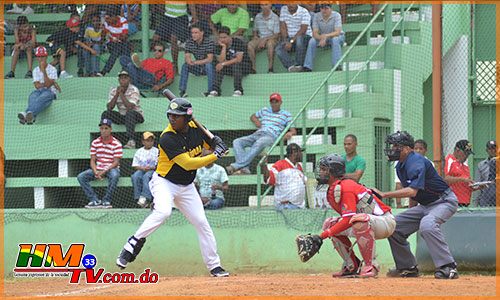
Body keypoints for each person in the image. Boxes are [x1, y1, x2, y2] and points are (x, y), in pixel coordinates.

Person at [116, 98, 231, 278]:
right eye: (170, 115)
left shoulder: (197, 130)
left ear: (187, 118)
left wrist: (218, 143)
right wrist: (216, 154)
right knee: (163, 212)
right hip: (164, 182)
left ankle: (214, 266)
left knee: (201, 222)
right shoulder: (167, 137)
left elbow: (213, 143)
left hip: (186, 187)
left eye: (176, 116)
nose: (172, 119)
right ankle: (133, 242)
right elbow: (188, 164)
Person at [371, 131, 459, 279]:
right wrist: (411, 215)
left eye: (396, 146)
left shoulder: (416, 161)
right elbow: (413, 193)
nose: (392, 149)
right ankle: (407, 267)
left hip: (444, 201)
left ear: (406, 149)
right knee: (393, 225)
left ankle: (448, 267)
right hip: (425, 205)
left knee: (428, 225)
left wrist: (384, 194)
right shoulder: (400, 165)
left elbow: (412, 190)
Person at [300, 154, 395, 277]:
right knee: (330, 224)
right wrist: (326, 232)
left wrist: (321, 236)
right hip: (367, 222)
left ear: (333, 171)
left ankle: (371, 266)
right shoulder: (333, 189)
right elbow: (346, 220)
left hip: (385, 222)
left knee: (359, 220)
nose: (321, 172)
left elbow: (348, 219)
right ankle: (352, 266)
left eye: (324, 169)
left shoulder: (347, 186)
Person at [226, 93, 296, 175]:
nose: (274, 104)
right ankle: (245, 169)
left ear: (281, 102)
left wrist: (289, 133)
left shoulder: (286, 114)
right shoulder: (265, 110)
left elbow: (293, 131)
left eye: (276, 101)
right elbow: (253, 116)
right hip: (258, 134)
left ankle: (236, 166)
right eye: (272, 102)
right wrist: (256, 121)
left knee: (259, 143)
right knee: (237, 142)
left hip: (271, 136)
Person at [77, 118, 122, 209]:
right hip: (98, 169)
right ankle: (94, 200)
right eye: (101, 128)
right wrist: (96, 171)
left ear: (110, 129)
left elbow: (116, 162)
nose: (103, 131)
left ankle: (106, 200)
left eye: (106, 128)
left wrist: (104, 171)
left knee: (115, 175)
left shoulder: (116, 143)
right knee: (81, 176)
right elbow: (93, 160)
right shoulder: (95, 142)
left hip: (110, 169)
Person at [18, 46, 61, 125]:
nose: (41, 59)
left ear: (47, 57)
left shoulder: (52, 69)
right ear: (37, 58)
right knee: (32, 96)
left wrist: (43, 69)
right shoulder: (35, 70)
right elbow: (37, 86)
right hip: (39, 91)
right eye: (39, 56)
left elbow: (48, 85)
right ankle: (31, 118)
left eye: (43, 56)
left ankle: (26, 114)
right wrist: (53, 83)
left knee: (43, 97)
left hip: (51, 92)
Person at [101, 70, 144, 149]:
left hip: (136, 116)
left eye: (125, 78)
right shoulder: (114, 91)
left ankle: (131, 141)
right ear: (118, 80)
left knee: (130, 112)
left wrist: (121, 94)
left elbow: (130, 107)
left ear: (129, 80)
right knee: (105, 114)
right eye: (121, 78)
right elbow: (109, 107)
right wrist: (117, 94)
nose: (123, 80)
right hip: (123, 116)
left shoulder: (134, 90)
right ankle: (105, 139)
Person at [152, 3, 197, 75]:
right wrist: (164, 12)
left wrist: (194, 17)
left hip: (181, 17)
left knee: (174, 39)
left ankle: (175, 66)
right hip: (168, 17)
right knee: (155, 38)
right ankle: (156, 63)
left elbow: (191, 4)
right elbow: (161, 5)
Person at [208, 26, 252, 97]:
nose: (222, 40)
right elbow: (220, 61)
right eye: (221, 37)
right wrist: (224, 47)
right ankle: (215, 90)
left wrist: (223, 64)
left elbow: (238, 59)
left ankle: (238, 90)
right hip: (231, 68)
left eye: (224, 37)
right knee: (218, 67)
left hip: (245, 66)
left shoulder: (237, 42)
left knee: (235, 64)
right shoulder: (220, 45)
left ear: (229, 36)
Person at [261, 143, 306, 211]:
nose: (301, 154)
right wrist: (264, 164)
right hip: (286, 206)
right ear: (294, 152)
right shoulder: (280, 164)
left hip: (299, 206)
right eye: (300, 152)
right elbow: (269, 178)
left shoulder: (299, 166)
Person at [303, 4, 344, 72]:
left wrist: (325, 36)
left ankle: (337, 65)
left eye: (326, 8)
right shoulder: (317, 16)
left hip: (337, 37)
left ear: (331, 8)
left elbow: (337, 32)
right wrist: (321, 38)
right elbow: (315, 33)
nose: (324, 10)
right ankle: (308, 66)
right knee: (312, 41)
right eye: (322, 8)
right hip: (324, 38)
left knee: (335, 39)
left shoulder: (336, 15)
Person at [179, 24, 214, 98]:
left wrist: (195, 62)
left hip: (211, 67)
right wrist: (189, 60)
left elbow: (210, 59)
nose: (193, 35)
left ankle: (211, 91)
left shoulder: (209, 41)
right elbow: (187, 56)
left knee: (208, 65)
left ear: (202, 33)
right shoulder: (189, 42)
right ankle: (182, 91)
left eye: (196, 33)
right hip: (198, 67)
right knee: (185, 65)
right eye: (192, 33)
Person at [275, 4, 312, 72]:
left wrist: (291, 41)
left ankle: (299, 65)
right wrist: (285, 41)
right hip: (291, 38)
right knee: (279, 48)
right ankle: (292, 65)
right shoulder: (284, 9)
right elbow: (283, 28)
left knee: (299, 39)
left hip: (305, 37)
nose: (290, 4)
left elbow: (303, 30)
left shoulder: (304, 12)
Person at [247, 3, 280, 74]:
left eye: (266, 5)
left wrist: (265, 40)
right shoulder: (258, 16)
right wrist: (255, 36)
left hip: (272, 39)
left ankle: (270, 68)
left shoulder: (275, 17)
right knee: (250, 45)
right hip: (260, 38)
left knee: (270, 43)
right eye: (262, 5)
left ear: (270, 5)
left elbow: (276, 35)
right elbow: (255, 30)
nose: (264, 7)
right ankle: (253, 68)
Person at [443, 139, 475, 207]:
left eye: (468, 154)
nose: (467, 156)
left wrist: (476, 187)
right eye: (465, 153)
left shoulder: (465, 165)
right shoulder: (449, 161)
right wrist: (462, 179)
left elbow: (465, 184)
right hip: (453, 201)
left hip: (465, 201)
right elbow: (445, 178)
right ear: (457, 151)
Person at [131, 131, 159, 208]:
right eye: (147, 141)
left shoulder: (156, 151)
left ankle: (146, 197)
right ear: (143, 142)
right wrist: (143, 168)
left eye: (151, 141)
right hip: (141, 169)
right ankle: (138, 198)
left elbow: (159, 165)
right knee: (135, 176)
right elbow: (135, 165)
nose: (149, 142)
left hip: (153, 170)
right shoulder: (139, 151)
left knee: (146, 176)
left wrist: (150, 168)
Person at [100, 7, 130, 77]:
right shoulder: (106, 23)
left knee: (122, 46)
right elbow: (103, 38)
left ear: (114, 17)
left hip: (122, 42)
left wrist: (118, 39)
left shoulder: (123, 21)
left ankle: (103, 72)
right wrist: (102, 30)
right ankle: (125, 71)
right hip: (111, 44)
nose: (107, 20)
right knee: (122, 47)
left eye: (108, 18)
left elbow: (125, 36)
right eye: (106, 18)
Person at [473, 140, 496, 207]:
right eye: (490, 149)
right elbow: (477, 183)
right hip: (487, 196)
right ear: (487, 150)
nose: (493, 150)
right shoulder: (481, 165)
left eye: (494, 148)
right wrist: (475, 204)